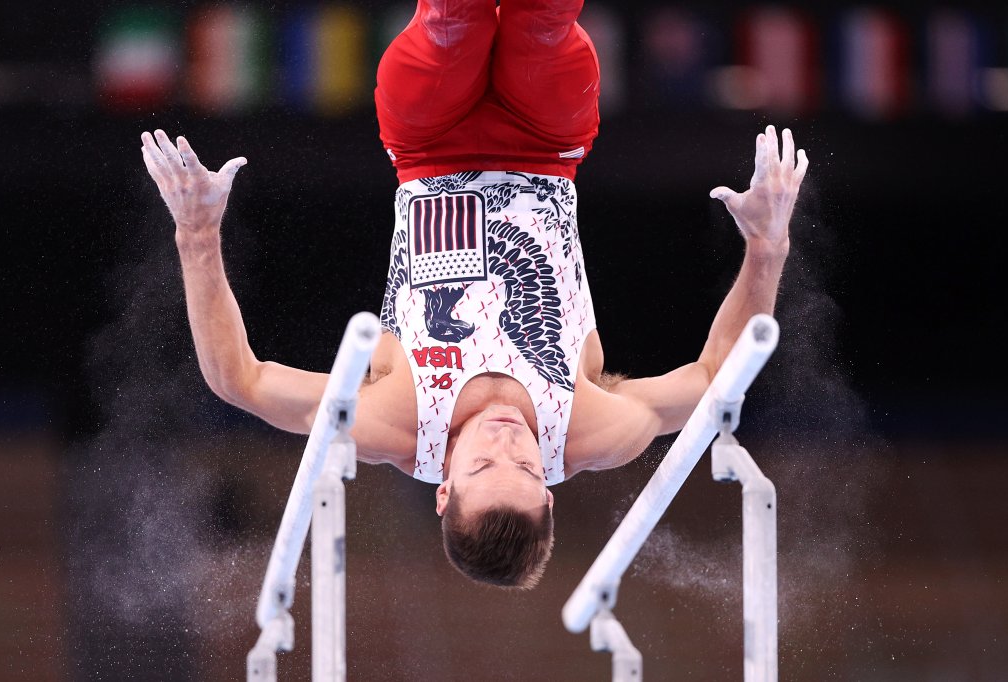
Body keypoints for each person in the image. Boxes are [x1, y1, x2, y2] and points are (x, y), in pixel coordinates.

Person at [140, 0, 808, 590]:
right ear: (548, 493)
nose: (507, 440)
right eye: (523, 464)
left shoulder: (393, 426)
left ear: (442, 490)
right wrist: (767, 248)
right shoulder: (594, 432)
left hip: (426, 145)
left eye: (484, 462)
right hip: (548, 146)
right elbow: (720, 379)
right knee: (544, 19)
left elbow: (240, 381)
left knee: (453, 17)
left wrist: (197, 235)